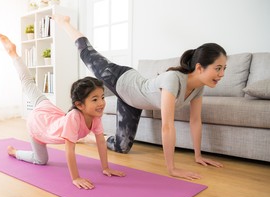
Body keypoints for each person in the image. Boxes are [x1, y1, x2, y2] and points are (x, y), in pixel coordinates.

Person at [53, 14, 227, 180]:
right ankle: (65, 23)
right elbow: (167, 126)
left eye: (224, 68)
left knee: (122, 148)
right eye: (218, 68)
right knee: (88, 54)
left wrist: (198, 155)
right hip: (121, 79)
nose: (221, 74)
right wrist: (172, 169)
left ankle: (89, 137)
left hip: (132, 103)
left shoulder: (198, 88)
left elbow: (195, 120)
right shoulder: (173, 80)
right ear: (199, 67)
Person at [0, 33, 125, 190]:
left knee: (29, 85)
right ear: (80, 105)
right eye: (95, 99)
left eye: (102, 97)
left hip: (48, 110)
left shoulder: (94, 115)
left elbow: (100, 141)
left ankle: (13, 54)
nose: (101, 103)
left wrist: (105, 167)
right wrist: (76, 177)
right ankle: (15, 152)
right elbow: (70, 150)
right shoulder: (74, 118)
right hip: (38, 125)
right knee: (40, 160)